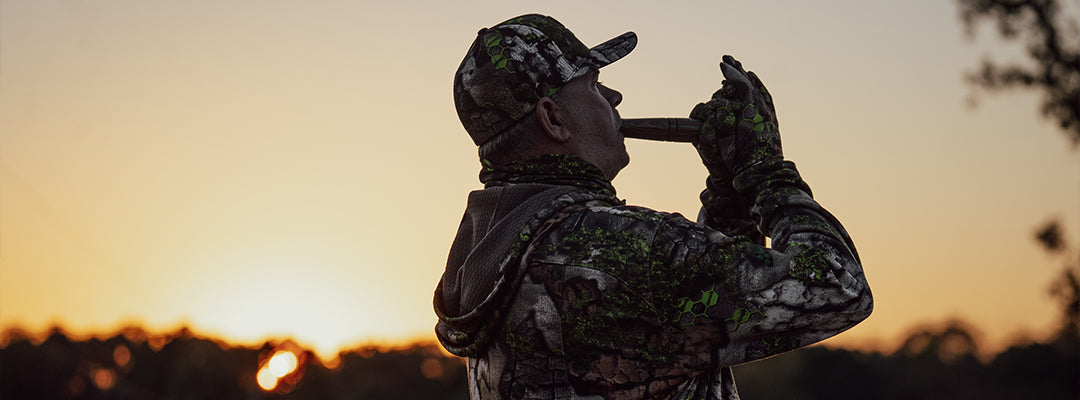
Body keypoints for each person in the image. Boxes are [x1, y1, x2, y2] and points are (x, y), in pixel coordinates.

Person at [433, 14, 873, 400]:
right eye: (594, 85)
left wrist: (727, 192)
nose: (615, 97)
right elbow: (839, 288)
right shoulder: (619, 247)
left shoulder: (490, 257)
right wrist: (764, 172)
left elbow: (699, 312)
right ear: (553, 118)